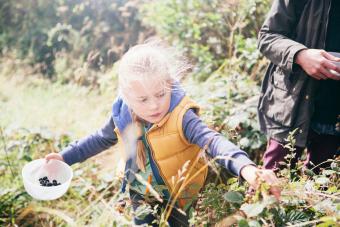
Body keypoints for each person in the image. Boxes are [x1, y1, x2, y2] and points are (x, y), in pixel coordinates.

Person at [44, 40, 280, 226]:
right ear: (126, 97)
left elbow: (214, 142)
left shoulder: (182, 115)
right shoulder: (122, 113)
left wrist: (246, 167)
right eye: (143, 99)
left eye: (160, 94)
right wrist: (65, 157)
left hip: (182, 195)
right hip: (140, 191)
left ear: (169, 84)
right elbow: (99, 139)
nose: (154, 106)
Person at [257, 0, 340, 172]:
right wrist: (300, 55)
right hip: (293, 105)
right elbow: (267, 36)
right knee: (271, 184)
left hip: (333, 115)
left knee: (321, 187)